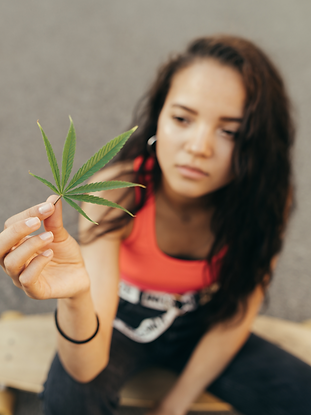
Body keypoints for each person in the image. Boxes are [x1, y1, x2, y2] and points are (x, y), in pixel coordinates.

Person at [1, 35, 311, 415]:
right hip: (118, 317)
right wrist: (78, 297)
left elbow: (239, 311)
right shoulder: (118, 193)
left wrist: (174, 405)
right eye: (182, 118)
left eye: (230, 131)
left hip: (206, 317)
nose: (198, 146)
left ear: (259, 143)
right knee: (71, 402)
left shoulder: (264, 199)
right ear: (158, 117)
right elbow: (88, 365)